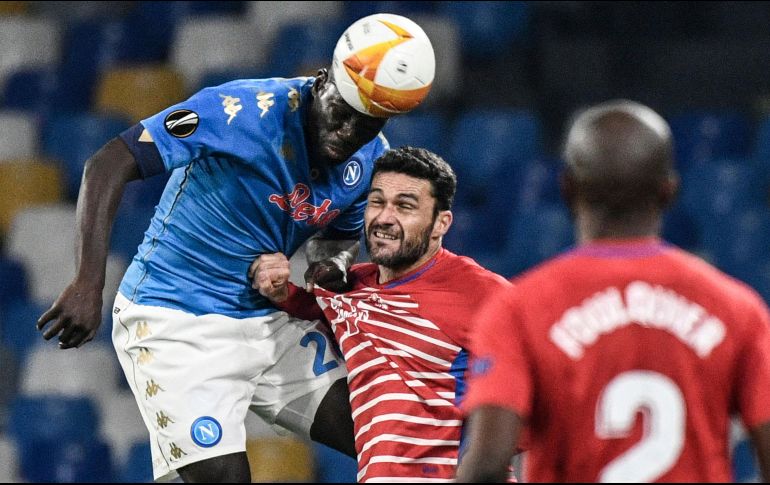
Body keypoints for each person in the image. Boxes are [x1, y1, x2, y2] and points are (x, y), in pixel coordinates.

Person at [34, 14, 434, 482]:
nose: (348, 133)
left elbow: (337, 240)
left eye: (365, 125)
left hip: (267, 320)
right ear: (321, 81)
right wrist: (88, 281)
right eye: (341, 111)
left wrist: (330, 270)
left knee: (389, 437)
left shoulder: (368, 161)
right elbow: (108, 162)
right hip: (174, 321)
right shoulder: (239, 110)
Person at [457, 100, 770, 482]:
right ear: (669, 190)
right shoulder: (737, 309)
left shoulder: (518, 308)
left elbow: (487, 466)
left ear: (568, 189)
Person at [252, 146, 512, 482]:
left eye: (405, 206)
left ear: (440, 223)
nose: (384, 217)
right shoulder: (349, 287)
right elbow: (311, 309)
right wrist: (278, 288)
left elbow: (546, 377)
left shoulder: (478, 291)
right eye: (377, 201)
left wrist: (477, 458)